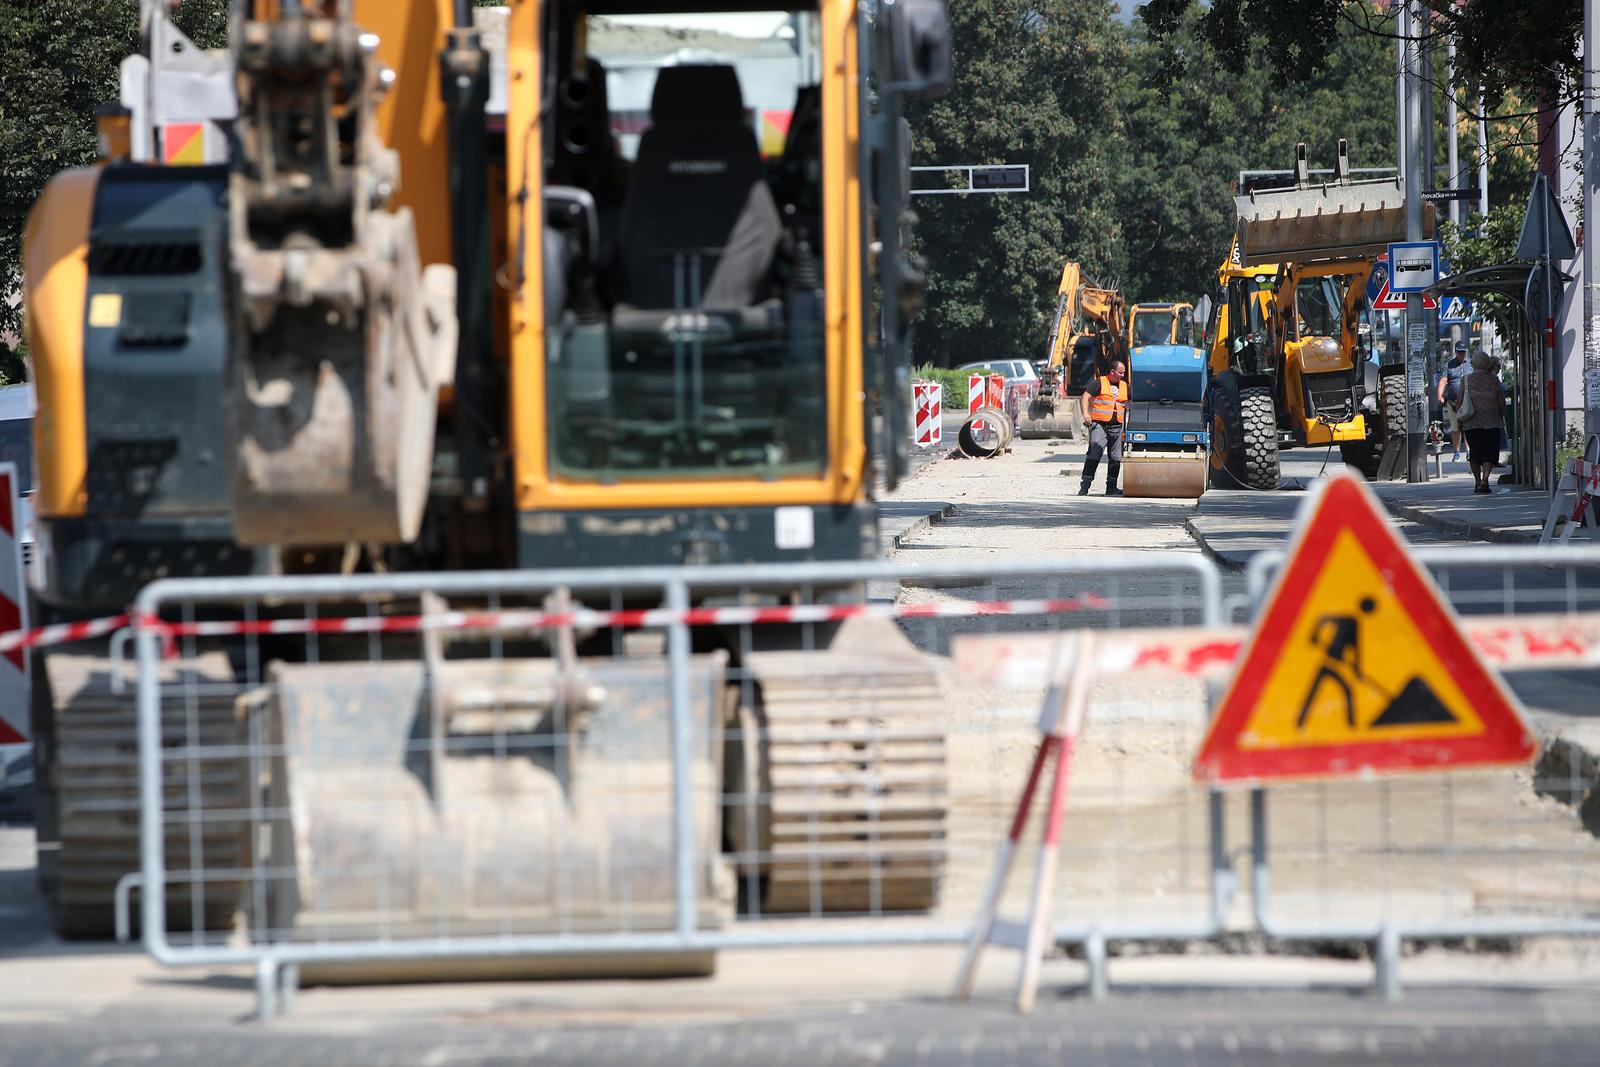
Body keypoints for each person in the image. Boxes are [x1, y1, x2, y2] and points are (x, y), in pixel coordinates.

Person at [1459, 350, 1506, 494]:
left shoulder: (1466, 380)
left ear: (1473, 364)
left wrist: (1459, 419)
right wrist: (1501, 414)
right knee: (1489, 452)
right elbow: (1500, 400)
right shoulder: (1493, 380)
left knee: (1475, 452)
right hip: (1491, 420)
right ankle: (1485, 479)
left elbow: (1460, 401)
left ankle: (1477, 481)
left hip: (1471, 421)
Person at [1078, 360, 1127, 496]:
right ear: (1112, 371)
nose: (1123, 375)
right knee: (1094, 455)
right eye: (1120, 372)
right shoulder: (1100, 382)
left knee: (1116, 458)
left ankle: (1111, 488)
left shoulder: (1124, 386)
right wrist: (1086, 414)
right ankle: (1085, 487)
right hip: (1100, 425)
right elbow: (1085, 396)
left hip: (1117, 427)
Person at [1435, 341, 1472, 459]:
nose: (1462, 354)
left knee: (1468, 427)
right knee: (1456, 428)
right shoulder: (1448, 365)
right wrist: (1440, 396)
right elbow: (1443, 381)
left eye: (1463, 352)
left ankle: (1469, 451)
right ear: (1455, 352)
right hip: (1453, 402)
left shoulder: (1471, 364)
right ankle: (1456, 452)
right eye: (1459, 352)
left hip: (1468, 402)